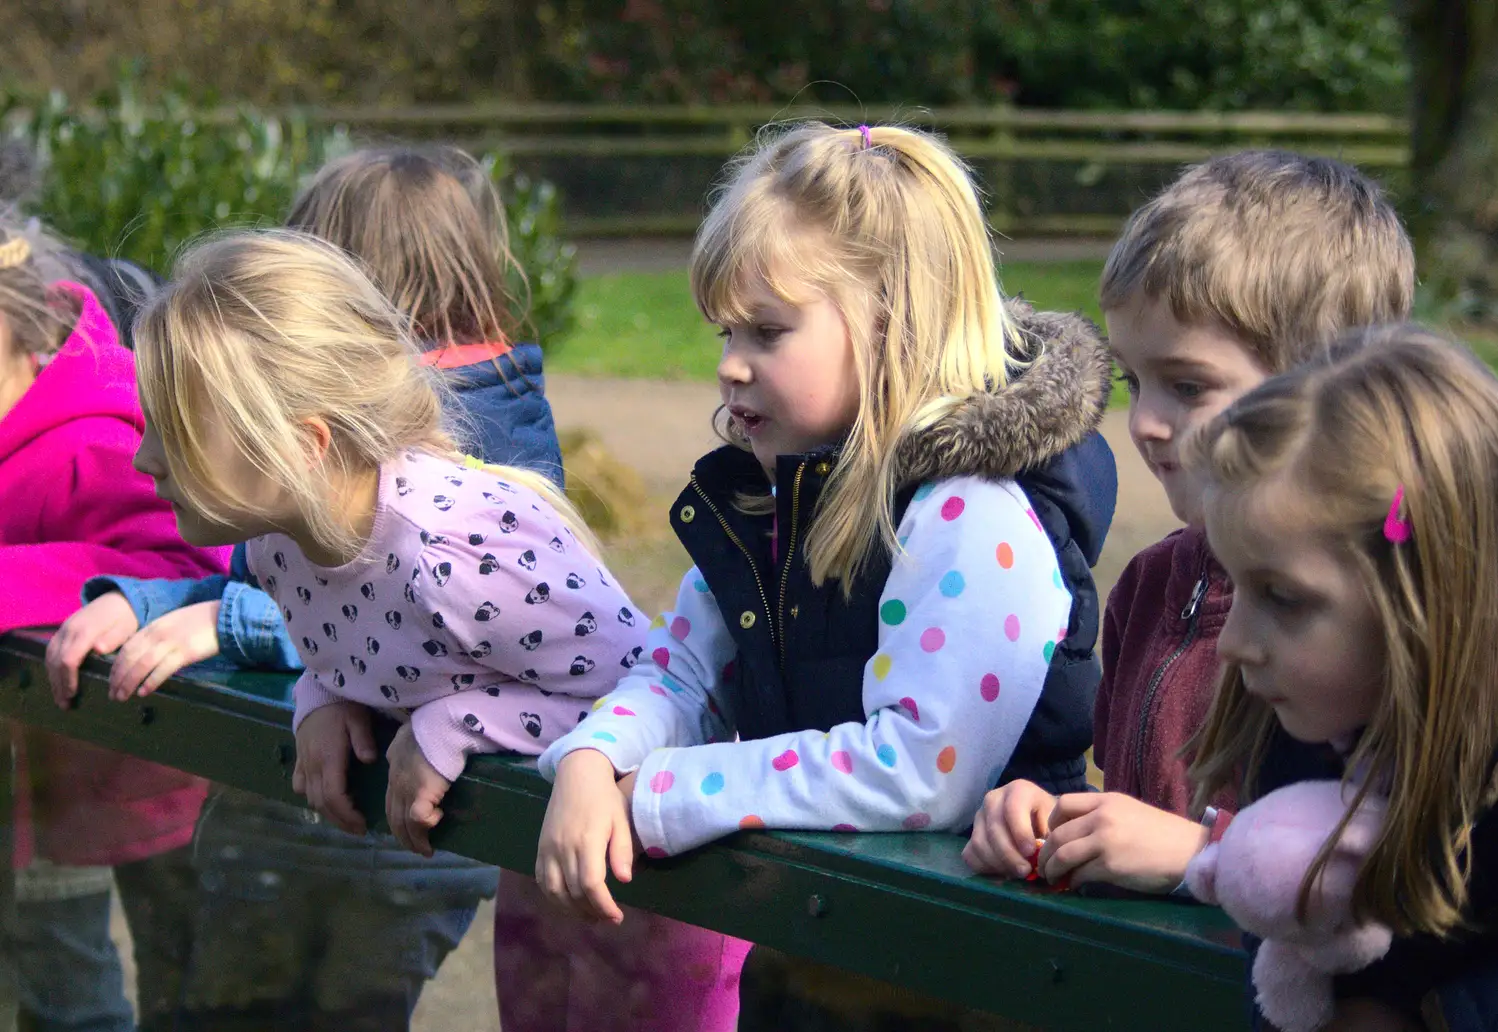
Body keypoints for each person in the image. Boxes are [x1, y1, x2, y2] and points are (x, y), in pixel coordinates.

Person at [534, 121, 1115, 1023]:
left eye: (767, 331)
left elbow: (919, 773)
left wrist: (659, 794)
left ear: (894, 322)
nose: (729, 365)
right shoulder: (776, 504)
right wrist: (592, 758)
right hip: (825, 953)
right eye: (726, 329)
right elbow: (685, 670)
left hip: (976, 975)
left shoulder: (971, 518)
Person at [44, 148, 576, 1031]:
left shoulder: (460, 481)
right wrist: (152, 603)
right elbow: (287, 579)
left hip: (406, 824)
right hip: (300, 805)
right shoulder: (317, 473)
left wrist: (242, 624)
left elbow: (427, 622)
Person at [964, 150, 1414, 895]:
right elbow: (1135, 818)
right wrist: (1049, 818)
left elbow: (1397, 860)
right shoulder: (1151, 585)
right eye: (1135, 382)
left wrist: (1205, 854)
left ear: (1329, 381)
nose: (1144, 423)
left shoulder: (1378, 606)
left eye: (1188, 385)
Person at [1184, 325, 1498, 1030]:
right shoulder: (1310, 702)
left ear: (1425, 594)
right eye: (1235, 587)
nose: (1232, 643)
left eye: (1282, 598)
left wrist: (1441, 1018)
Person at [0, 212, 227, 1032]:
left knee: (94, 981)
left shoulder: (95, 439)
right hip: (36, 777)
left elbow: (188, 568)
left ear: (22, 333)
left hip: (121, 759)